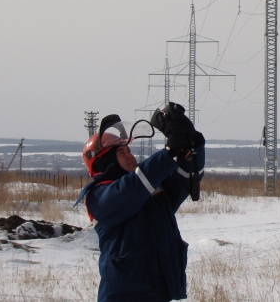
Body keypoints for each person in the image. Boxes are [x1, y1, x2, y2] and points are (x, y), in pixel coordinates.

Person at [75, 108, 205, 302]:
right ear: (104, 161)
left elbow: (187, 178)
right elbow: (131, 189)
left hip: (160, 292)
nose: (130, 156)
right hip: (124, 296)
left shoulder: (151, 186)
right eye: (121, 152)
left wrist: (192, 142)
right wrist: (168, 153)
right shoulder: (98, 196)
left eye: (128, 150)